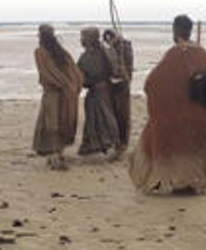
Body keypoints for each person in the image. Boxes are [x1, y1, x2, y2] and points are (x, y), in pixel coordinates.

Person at [129, 15, 206, 194]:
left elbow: (152, 83)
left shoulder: (175, 53)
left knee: (160, 135)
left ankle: (175, 181)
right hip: (201, 116)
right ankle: (194, 182)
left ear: (176, 30)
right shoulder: (201, 52)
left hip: (179, 116)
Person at [32, 24, 84, 170]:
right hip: (67, 94)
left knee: (52, 123)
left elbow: (48, 74)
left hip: (53, 94)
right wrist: (72, 87)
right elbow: (76, 74)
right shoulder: (62, 52)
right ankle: (59, 154)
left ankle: (55, 156)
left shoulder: (40, 52)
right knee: (62, 121)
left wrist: (63, 85)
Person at [76, 27, 121, 158]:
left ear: (88, 39)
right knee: (101, 118)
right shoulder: (107, 52)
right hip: (106, 90)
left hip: (97, 92)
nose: (81, 40)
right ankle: (102, 146)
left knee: (100, 119)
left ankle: (104, 145)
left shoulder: (86, 57)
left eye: (83, 37)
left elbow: (80, 76)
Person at [104, 29, 135, 152]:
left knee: (123, 114)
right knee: (113, 114)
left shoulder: (125, 47)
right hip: (112, 85)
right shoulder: (111, 48)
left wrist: (121, 71)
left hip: (123, 85)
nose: (109, 42)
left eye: (110, 39)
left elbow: (127, 67)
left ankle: (123, 143)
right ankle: (116, 141)